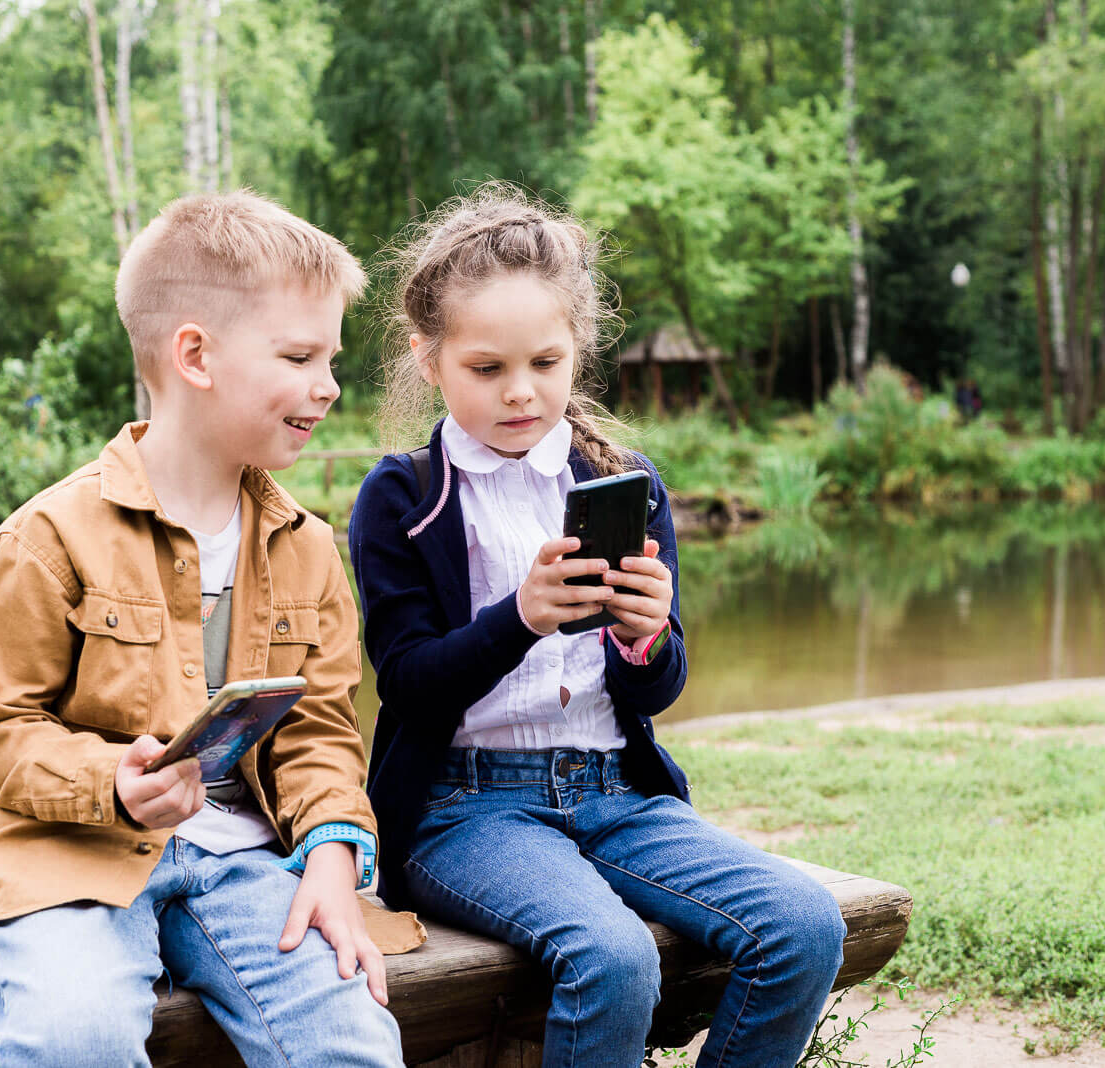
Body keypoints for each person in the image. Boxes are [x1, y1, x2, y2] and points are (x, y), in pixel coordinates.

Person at [348, 186, 846, 1068]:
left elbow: (660, 686)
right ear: (430, 360)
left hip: (618, 793)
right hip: (465, 811)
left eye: (545, 362)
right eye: (486, 369)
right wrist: (521, 619)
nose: (521, 392)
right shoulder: (404, 498)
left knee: (805, 927)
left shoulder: (623, 480)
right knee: (611, 959)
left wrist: (647, 638)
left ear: (578, 349)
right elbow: (409, 684)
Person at [0, 190, 403, 1067]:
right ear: (195, 354)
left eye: (330, 357)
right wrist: (114, 780)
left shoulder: (306, 549)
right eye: (300, 355)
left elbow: (319, 731)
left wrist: (335, 851)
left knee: (351, 1038)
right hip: (66, 859)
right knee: (77, 1040)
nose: (329, 384)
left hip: (243, 861)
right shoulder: (48, 540)